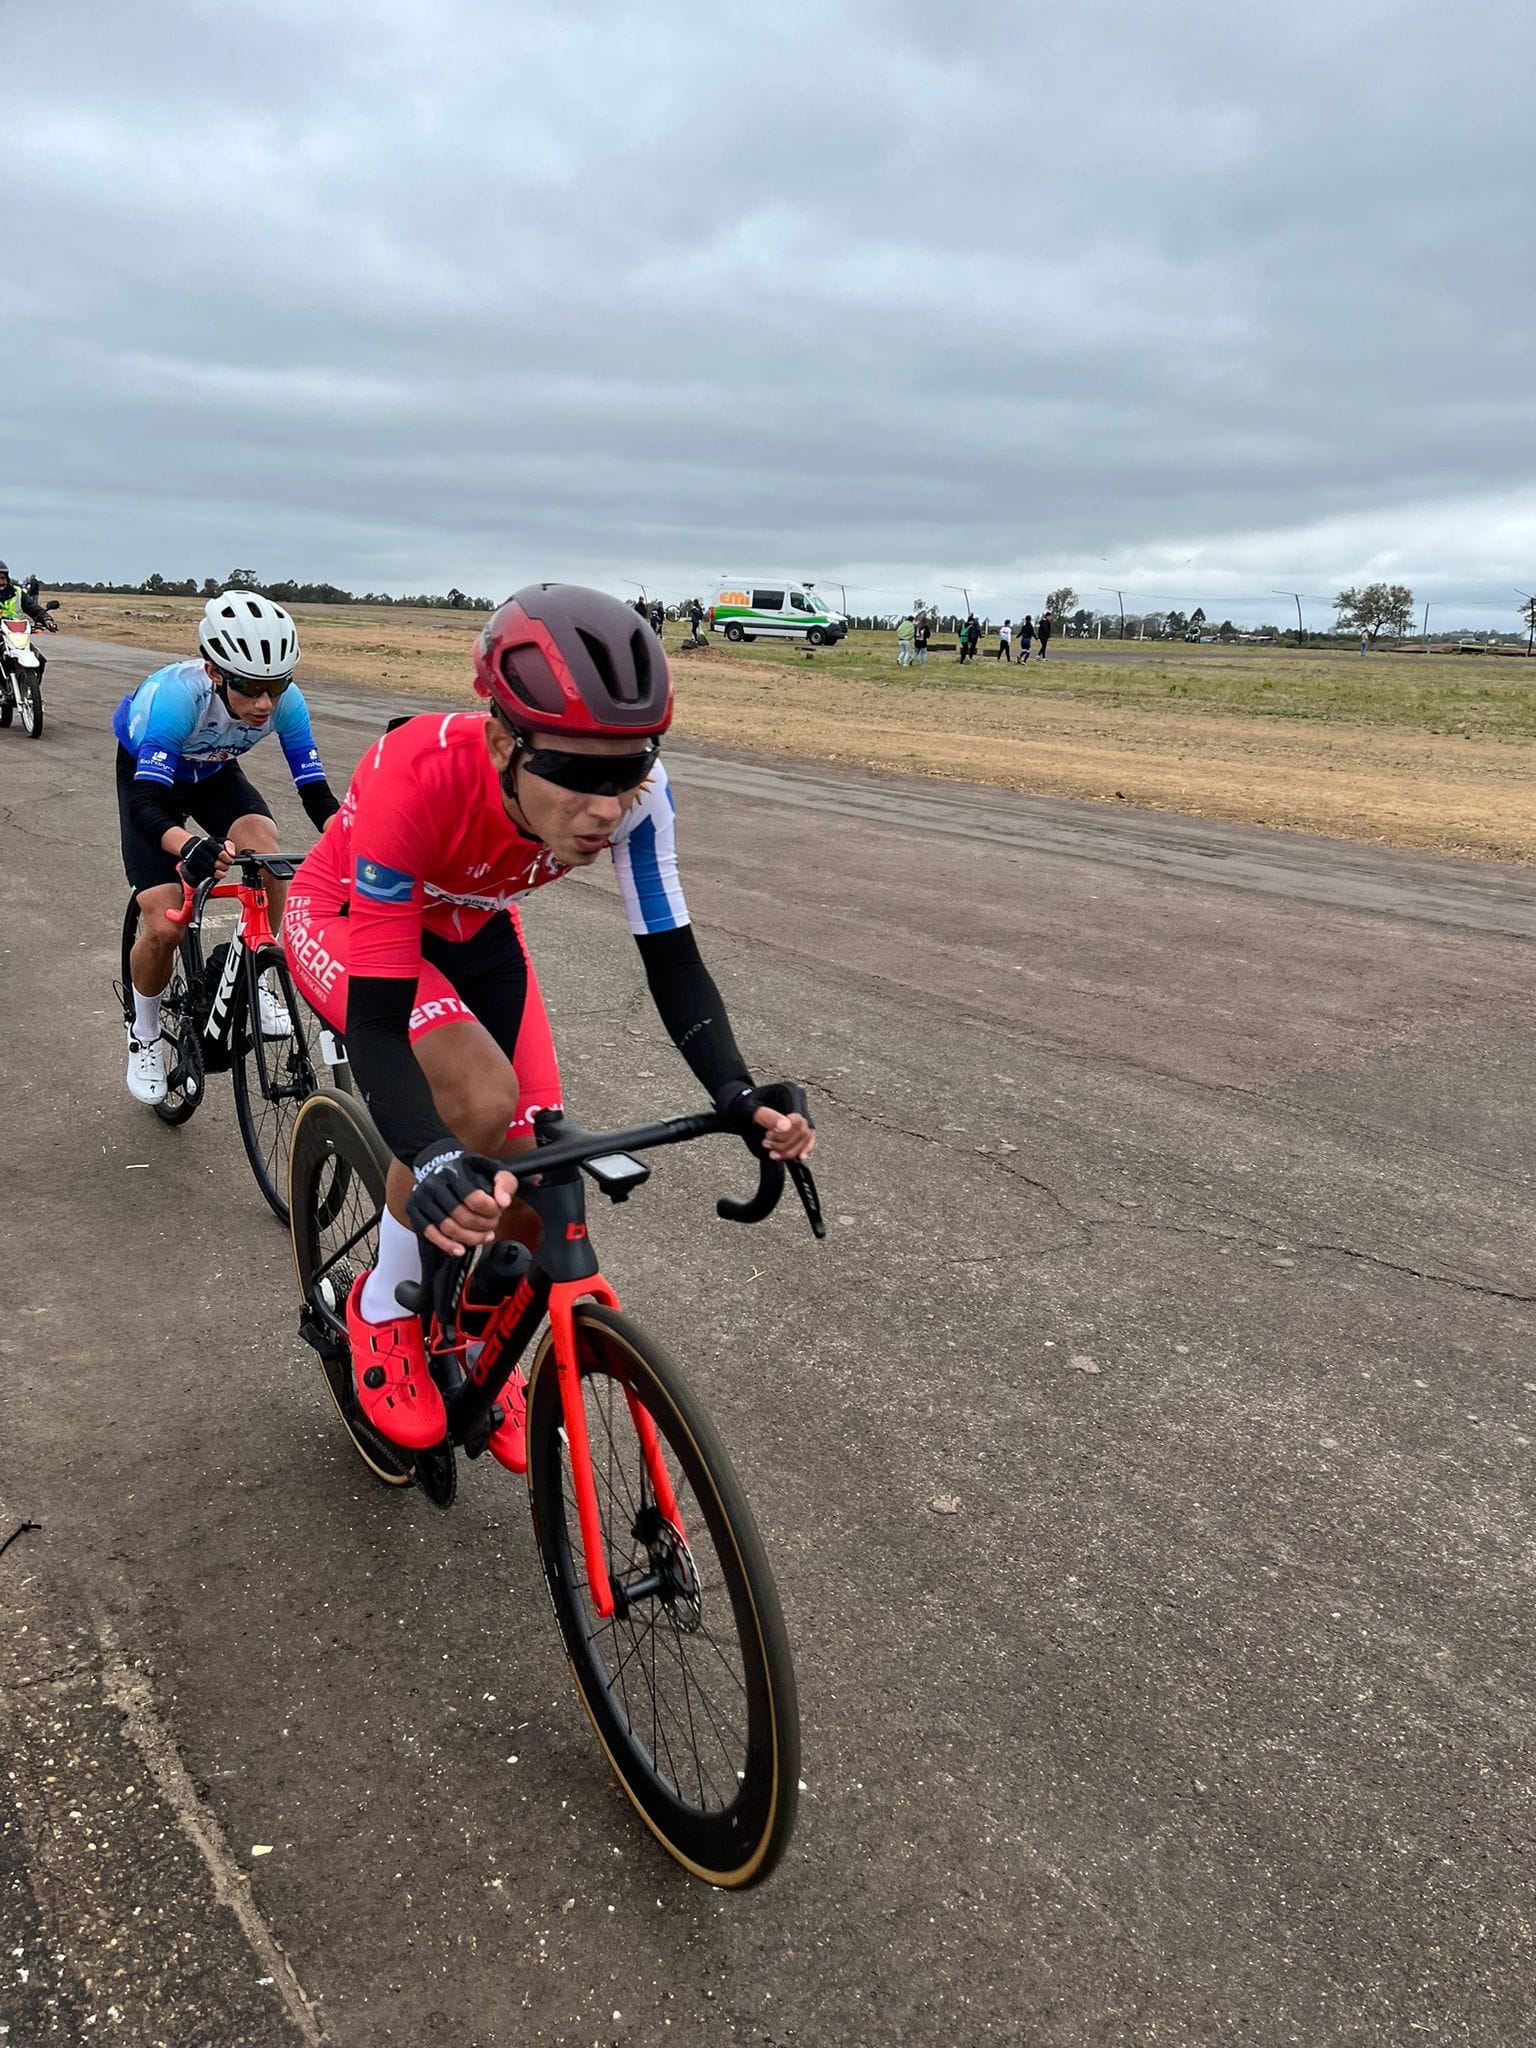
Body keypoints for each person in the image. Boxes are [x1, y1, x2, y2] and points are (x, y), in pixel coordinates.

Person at [281, 582, 815, 1464]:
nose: (606, 808)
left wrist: (737, 1089)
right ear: (502, 740)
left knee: (539, 1169)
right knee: (477, 1100)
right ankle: (383, 1303)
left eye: (630, 769)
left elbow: (673, 960)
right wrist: (438, 1151)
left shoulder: (639, 797)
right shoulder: (414, 777)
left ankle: (476, 1336)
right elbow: (376, 1028)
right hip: (351, 918)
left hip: (476, 926)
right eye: (574, 773)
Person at [113, 591, 339, 1106]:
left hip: (214, 773)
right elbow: (146, 806)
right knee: (165, 922)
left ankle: (254, 975)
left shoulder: (287, 704)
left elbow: (315, 792)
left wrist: (352, 834)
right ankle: (144, 1035)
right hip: (153, 781)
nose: (265, 704)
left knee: (269, 853)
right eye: (250, 688)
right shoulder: (176, 698)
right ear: (216, 672)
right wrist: (187, 844)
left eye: (276, 687)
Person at [0, 562, 56, 678]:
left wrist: (47, 619)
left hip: (15, 636)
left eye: (3, 578)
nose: (1, 582)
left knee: (40, 660)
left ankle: (32, 693)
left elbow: (34, 608)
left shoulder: (17, 592)